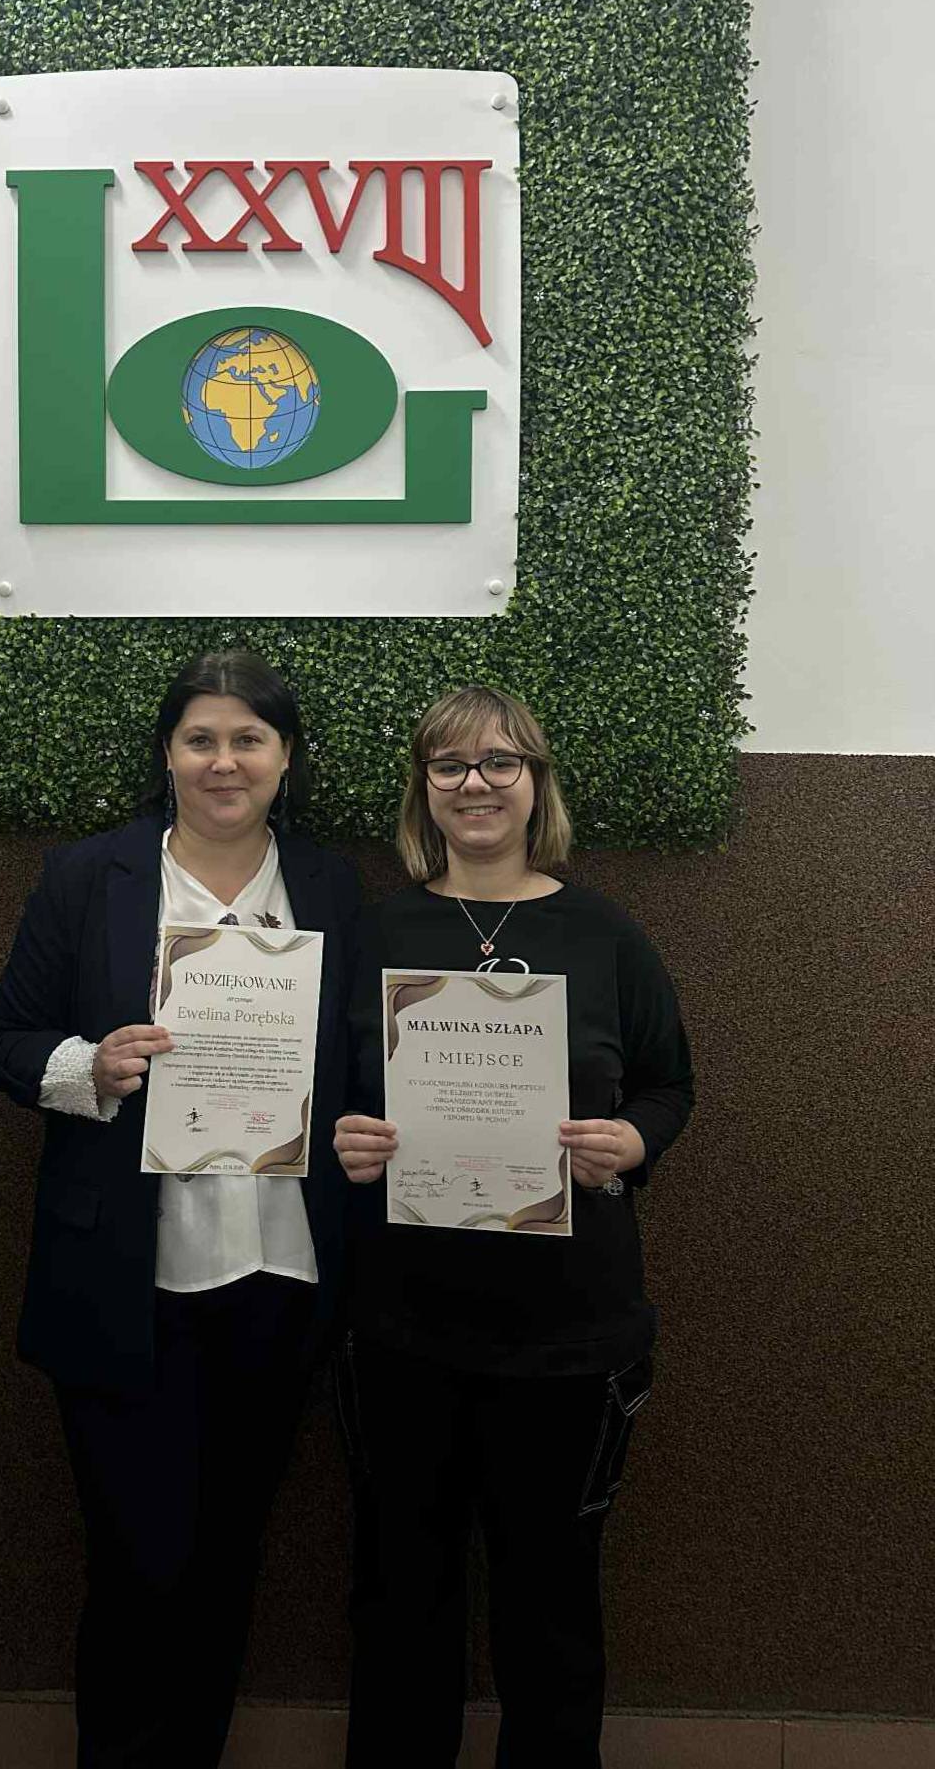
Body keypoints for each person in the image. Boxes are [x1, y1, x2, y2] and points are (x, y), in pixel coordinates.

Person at [0, 651, 358, 1769]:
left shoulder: (332, 887)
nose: (223, 761)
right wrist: (88, 1068)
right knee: (135, 1564)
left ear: (285, 758)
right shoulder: (85, 877)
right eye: (201, 739)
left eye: (248, 739)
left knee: (227, 1559)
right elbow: (3, 1043)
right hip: (125, 1284)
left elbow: (359, 1060)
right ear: (167, 753)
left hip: (280, 1276)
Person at [333, 685, 693, 1769]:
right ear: (424, 790)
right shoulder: (375, 931)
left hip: (567, 1337)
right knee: (400, 1598)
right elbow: (326, 1099)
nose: (475, 784)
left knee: (551, 1607)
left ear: (536, 783)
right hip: (402, 1331)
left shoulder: (604, 933)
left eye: (500, 762)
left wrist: (630, 1142)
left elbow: (669, 1086)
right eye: (449, 766)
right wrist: (346, 1142)